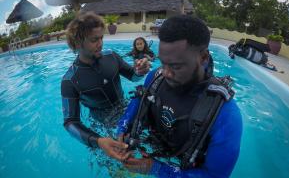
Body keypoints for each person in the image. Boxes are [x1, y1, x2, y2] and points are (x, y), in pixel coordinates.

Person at [117, 15, 243, 177]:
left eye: (176, 66)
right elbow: (139, 99)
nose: (166, 73)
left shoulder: (226, 116)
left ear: (203, 58)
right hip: (152, 144)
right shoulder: (156, 77)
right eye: (163, 62)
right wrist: (122, 129)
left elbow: (215, 175)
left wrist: (155, 169)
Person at [60, 12, 150, 161]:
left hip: (126, 109)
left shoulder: (111, 56)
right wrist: (99, 141)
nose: (101, 43)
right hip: (102, 124)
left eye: (101, 37)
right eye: (94, 40)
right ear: (77, 43)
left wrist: (140, 71)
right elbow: (70, 122)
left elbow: (133, 76)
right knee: (118, 162)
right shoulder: (69, 80)